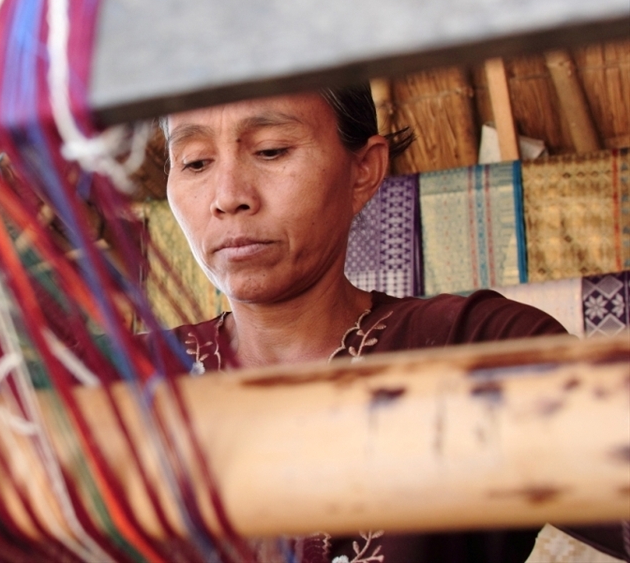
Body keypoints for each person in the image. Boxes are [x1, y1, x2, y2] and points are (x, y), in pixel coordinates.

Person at [160, 86, 625, 563]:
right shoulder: (129, 383)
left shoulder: (477, 348)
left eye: (271, 150)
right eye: (195, 162)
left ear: (364, 170)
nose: (228, 197)